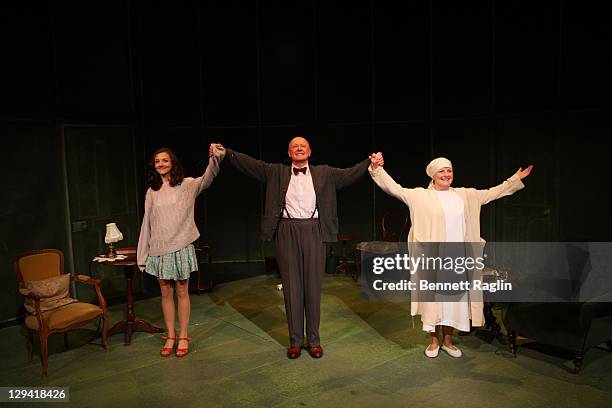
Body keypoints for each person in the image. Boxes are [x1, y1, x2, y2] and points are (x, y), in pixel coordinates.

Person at [212, 137, 374, 359]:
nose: (299, 148)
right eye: (294, 146)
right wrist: (226, 152)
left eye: (303, 145)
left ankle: (314, 340)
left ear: (309, 151)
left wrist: (369, 162)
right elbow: (250, 164)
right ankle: (296, 341)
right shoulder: (276, 172)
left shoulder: (325, 173)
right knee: (291, 287)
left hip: (315, 230)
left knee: (313, 287)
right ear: (289, 152)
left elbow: (349, 174)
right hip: (287, 230)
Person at [369, 153, 532, 358]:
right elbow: (394, 188)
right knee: (434, 302)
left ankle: (448, 341)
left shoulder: (465, 195)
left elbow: (492, 193)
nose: (447, 174)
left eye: (449, 170)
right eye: (442, 171)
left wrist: (514, 180)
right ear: (433, 175)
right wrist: (377, 169)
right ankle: (434, 341)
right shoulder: (420, 196)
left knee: (454, 304)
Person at [137, 144, 225, 357]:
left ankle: (184, 335)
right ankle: (170, 335)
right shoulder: (152, 191)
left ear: (172, 163)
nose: (161, 164)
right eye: (157, 161)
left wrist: (216, 158)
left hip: (180, 246)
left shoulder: (186, 185)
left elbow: (207, 178)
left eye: (164, 160)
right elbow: (146, 222)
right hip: (158, 248)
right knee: (165, 293)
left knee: (182, 291)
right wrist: (143, 254)